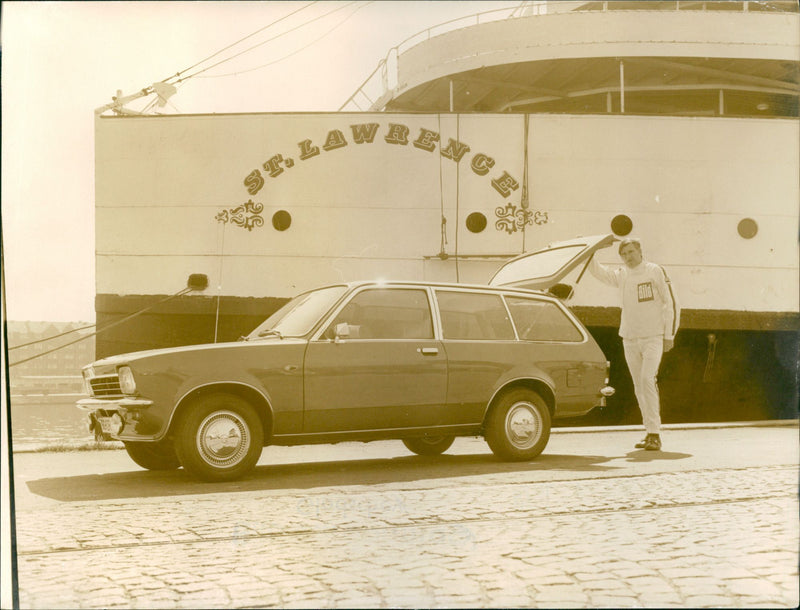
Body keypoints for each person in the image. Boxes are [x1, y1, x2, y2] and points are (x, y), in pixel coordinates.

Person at [589, 238, 680, 451]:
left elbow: (671, 303)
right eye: (624, 254)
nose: (628, 257)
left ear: (640, 251)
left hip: (653, 337)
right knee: (639, 386)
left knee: (648, 380)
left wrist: (669, 335)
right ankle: (649, 431)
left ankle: (655, 433)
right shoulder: (622, 275)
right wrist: (590, 254)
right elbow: (601, 273)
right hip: (630, 338)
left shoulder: (655, 271)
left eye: (631, 252)